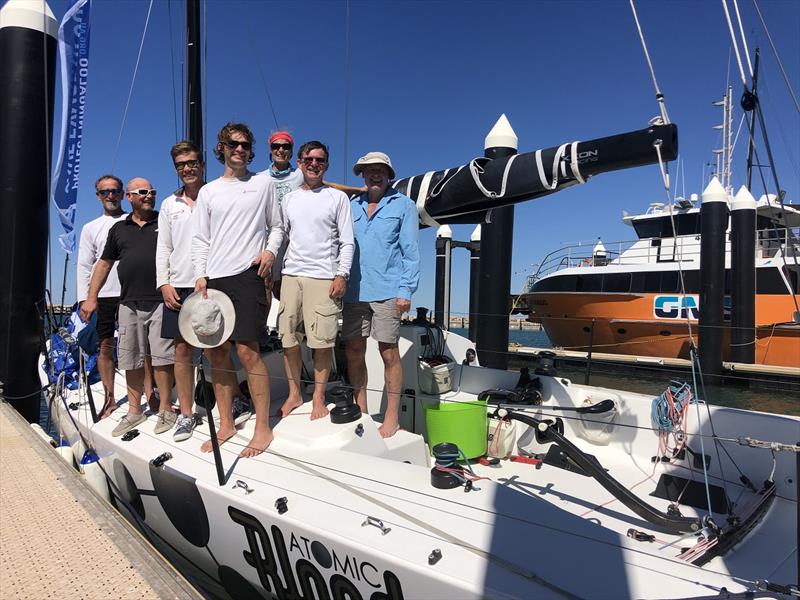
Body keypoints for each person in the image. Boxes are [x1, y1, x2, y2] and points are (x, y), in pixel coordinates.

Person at [192, 122, 283, 457]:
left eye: (245, 145)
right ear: (222, 148)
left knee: (247, 351)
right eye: (233, 144)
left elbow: (277, 226)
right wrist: (200, 274)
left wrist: (270, 252)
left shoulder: (263, 184)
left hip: (247, 274)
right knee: (217, 353)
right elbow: (201, 239)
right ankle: (226, 422)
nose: (240, 149)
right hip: (214, 280)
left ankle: (262, 428)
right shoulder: (208, 192)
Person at [80, 178, 176, 437]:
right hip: (128, 302)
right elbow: (103, 264)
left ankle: (166, 408)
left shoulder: (164, 221)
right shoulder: (119, 229)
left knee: (163, 359)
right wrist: (91, 297)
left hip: (160, 301)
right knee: (131, 359)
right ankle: (134, 411)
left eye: (152, 192)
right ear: (131, 197)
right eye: (143, 192)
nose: (149, 196)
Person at [343, 152, 419, 438]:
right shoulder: (351, 206)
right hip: (353, 291)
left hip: (389, 291)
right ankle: (360, 408)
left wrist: (405, 290)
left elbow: (410, 251)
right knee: (353, 351)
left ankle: (391, 416)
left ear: (389, 174)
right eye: (369, 170)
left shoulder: (404, 206)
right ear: (362, 175)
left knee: (388, 352)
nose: (375, 174)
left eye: (380, 170)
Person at [278, 141, 354, 420]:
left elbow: (347, 242)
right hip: (290, 275)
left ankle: (318, 396)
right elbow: (281, 236)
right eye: (308, 159)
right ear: (299, 163)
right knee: (288, 339)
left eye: (320, 160)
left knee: (321, 342)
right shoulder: (289, 199)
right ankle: (294, 394)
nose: (313, 164)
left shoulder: (337, 198)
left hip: (323, 277)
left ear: (326, 165)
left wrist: (341, 274)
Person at [260, 131, 365, 301]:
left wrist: (358, 190)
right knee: (263, 298)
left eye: (285, 146)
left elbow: (326, 184)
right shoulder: (259, 178)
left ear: (292, 152)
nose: (280, 149)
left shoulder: (299, 174)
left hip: (298, 251)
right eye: (276, 146)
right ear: (270, 149)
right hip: (265, 244)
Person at [156, 141, 205, 441]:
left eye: (191, 162)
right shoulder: (168, 204)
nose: (186, 169)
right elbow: (164, 247)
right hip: (180, 283)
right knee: (182, 350)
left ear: (201, 164)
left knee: (218, 349)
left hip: (211, 282)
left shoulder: (214, 196)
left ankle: (231, 401)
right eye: (180, 165)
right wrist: (164, 282)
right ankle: (186, 413)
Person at [76, 175, 128, 418]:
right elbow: (84, 265)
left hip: (133, 292)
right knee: (105, 347)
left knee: (140, 348)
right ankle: (110, 398)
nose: (110, 196)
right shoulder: (90, 228)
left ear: (122, 193)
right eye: (104, 192)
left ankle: (149, 395)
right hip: (105, 294)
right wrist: (85, 299)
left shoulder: (134, 221)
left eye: (115, 191)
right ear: (98, 195)